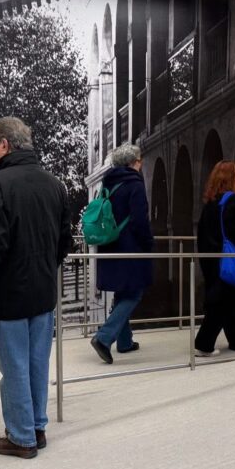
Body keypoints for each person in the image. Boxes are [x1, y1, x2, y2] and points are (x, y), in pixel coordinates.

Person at [0, 116, 72, 459]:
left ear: (5, 144)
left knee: (14, 365)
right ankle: (37, 427)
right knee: (37, 363)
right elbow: (64, 241)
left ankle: (21, 437)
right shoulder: (55, 184)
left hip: (7, 296)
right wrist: (44, 269)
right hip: (42, 294)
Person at [90, 143, 153, 364]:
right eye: (139, 160)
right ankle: (104, 337)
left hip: (110, 245)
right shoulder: (135, 184)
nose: (141, 163)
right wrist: (148, 243)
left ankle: (125, 342)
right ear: (133, 162)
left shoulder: (108, 182)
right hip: (130, 247)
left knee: (122, 292)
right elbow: (139, 221)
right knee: (134, 293)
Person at [194, 160, 235, 357]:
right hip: (227, 259)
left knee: (228, 300)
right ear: (230, 178)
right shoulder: (232, 200)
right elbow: (234, 229)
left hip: (212, 258)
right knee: (222, 301)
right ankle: (203, 345)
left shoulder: (212, 200)